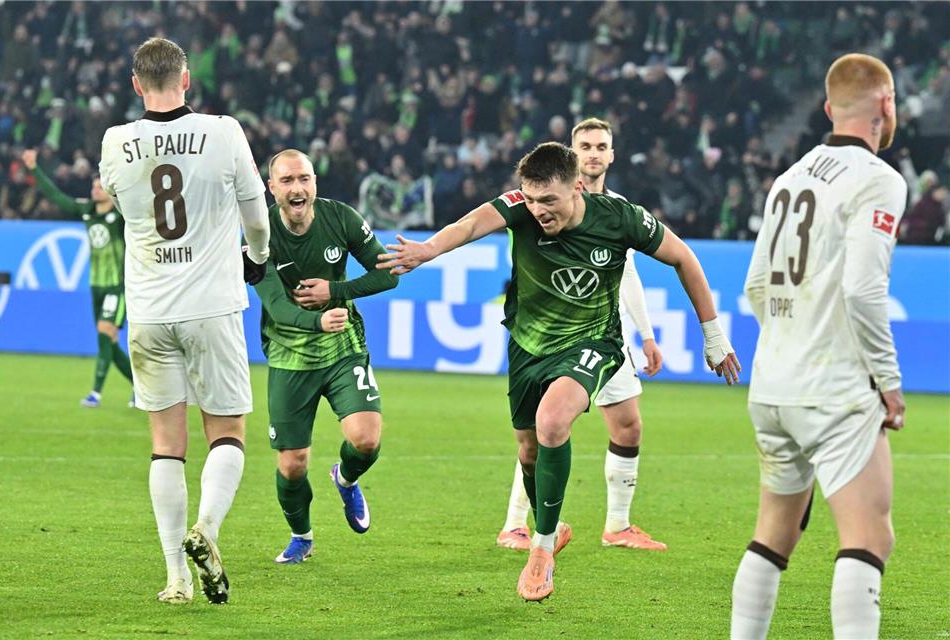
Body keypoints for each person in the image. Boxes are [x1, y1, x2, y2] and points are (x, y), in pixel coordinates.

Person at [378, 141, 740, 602]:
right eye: (530, 199)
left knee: (553, 421)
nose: (538, 210)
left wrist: (713, 335)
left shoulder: (621, 217)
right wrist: (429, 249)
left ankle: (542, 548)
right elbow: (472, 224)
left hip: (592, 341)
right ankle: (553, 526)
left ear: (577, 187)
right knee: (528, 452)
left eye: (548, 200)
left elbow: (683, 258)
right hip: (528, 346)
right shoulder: (520, 208)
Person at [732, 53, 907, 639]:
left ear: (830, 108)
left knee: (773, 535)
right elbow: (862, 288)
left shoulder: (792, 174)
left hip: (773, 384)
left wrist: (789, 339)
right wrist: (888, 380)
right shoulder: (879, 179)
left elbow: (755, 285)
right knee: (869, 537)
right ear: (886, 104)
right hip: (832, 388)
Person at [99, 37, 271, 605]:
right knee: (227, 432)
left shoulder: (116, 142)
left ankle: (175, 577)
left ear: (135, 84)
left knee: (165, 445)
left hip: (148, 310)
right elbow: (257, 216)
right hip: (213, 305)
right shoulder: (224, 132)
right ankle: (208, 530)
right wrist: (258, 258)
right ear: (187, 78)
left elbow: (129, 212)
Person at [496, 118, 668, 553]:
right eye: (585, 146)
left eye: (601, 146)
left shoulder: (621, 212)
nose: (593, 153)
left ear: (611, 155)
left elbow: (629, 274)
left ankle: (618, 525)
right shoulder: (537, 203)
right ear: (571, 158)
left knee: (628, 426)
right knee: (542, 427)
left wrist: (645, 334)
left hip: (604, 334)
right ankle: (517, 523)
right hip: (554, 335)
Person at [253, 149, 398, 564]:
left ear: (314, 182)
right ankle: (302, 536)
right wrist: (316, 321)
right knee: (293, 464)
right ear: (272, 188)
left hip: (342, 348)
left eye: (304, 179)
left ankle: (346, 478)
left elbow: (387, 274)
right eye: (287, 181)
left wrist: (334, 292)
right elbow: (277, 306)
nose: (297, 188)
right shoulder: (258, 233)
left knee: (366, 440)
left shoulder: (341, 218)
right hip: (289, 356)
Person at [21, 148, 135, 408]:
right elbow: (56, 197)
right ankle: (140, 388)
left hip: (117, 287)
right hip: (95, 285)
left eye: (99, 187)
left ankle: (96, 393)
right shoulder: (86, 211)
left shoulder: (120, 217)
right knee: (109, 342)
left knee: (106, 333)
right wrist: (34, 168)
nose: (95, 190)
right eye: (93, 186)